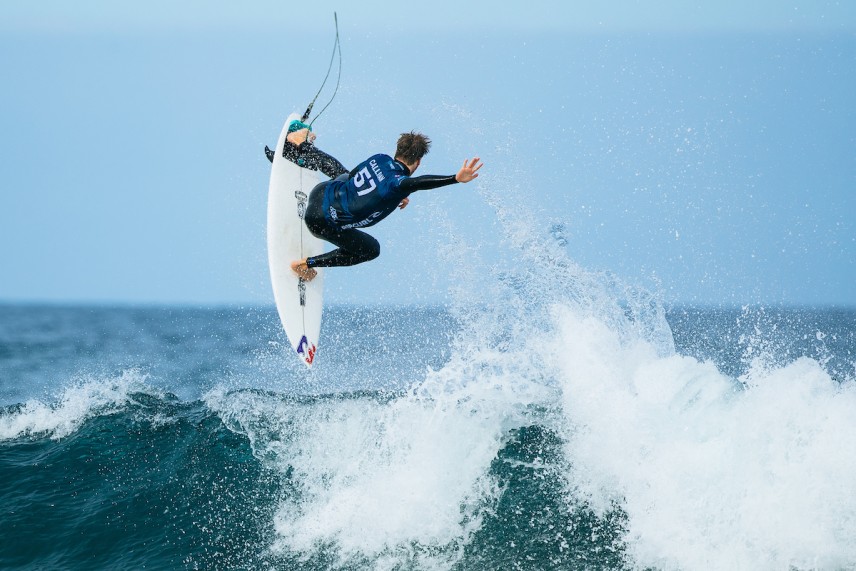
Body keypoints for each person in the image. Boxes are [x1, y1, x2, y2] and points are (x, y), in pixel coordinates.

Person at [289, 131, 483, 281]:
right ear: (418, 162)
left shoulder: (380, 159)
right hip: (320, 222)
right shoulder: (398, 184)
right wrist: (454, 179)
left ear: (397, 150)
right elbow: (419, 183)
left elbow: (359, 177)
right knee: (372, 250)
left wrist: (396, 196)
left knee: (347, 176)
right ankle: (306, 265)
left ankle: (301, 145)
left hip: (320, 192)